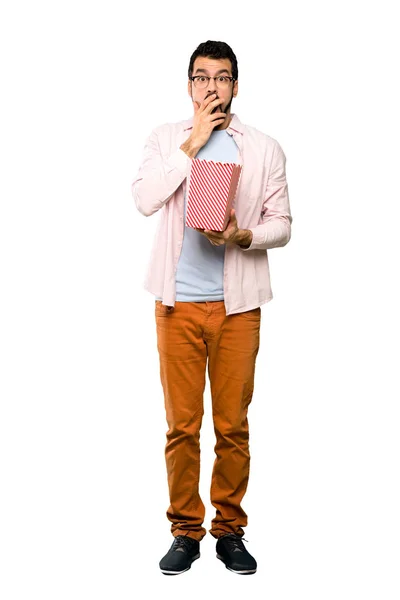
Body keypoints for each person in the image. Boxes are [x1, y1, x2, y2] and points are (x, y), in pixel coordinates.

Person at [131, 40, 292, 575]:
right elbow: (145, 198)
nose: (211, 87)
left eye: (222, 78)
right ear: (189, 85)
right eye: (201, 78)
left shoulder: (264, 147)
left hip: (238, 309)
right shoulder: (164, 139)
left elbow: (283, 224)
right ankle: (184, 530)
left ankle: (229, 530)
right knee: (182, 426)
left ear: (236, 86)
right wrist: (193, 144)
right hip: (176, 307)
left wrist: (245, 236)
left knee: (232, 426)